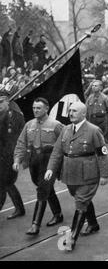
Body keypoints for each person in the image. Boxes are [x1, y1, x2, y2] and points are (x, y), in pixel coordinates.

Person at [44, 101, 108, 251]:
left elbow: (102, 154)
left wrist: (104, 175)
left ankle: (72, 238)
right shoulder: (66, 129)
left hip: (88, 174)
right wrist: (50, 169)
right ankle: (93, 224)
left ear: (83, 114)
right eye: (70, 111)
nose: (71, 113)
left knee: (80, 202)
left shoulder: (94, 131)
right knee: (81, 199)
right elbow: (57, 152)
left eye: (74, 111)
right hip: (70, 174)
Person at [13, 97, 64, 235]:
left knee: (42, 189)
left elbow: (64, 143)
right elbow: (21, 143)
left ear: (46, 108)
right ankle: (58, 214)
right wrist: (17, 160)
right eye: (34, 108)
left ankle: (35, 225)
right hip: (34, 160)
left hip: (50, 160)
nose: (35, 110)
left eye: (39, 108)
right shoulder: (29, 125)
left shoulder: (56, 125)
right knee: (43, 187)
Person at [0, 89, 26, 219]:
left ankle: (19, 209)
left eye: (1, 101)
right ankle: (20, 208)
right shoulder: (2, 113)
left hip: (9, 155)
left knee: (3, 184)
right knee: (7, 183)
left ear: (8, 101)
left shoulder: (13, 115)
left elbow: (12, 139)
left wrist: (9, 157)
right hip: (3, 154)